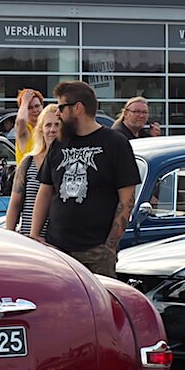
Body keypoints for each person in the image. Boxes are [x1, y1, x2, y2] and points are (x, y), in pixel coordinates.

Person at [29, 81, 140, 277]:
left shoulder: (115, 143)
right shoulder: (59, 143)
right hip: (56, 250)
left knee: (98, 306)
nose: (58, 114)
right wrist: (35, 235)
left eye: (62, 107)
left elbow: (127, 199)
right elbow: (45, 190)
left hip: (95, 251)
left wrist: (109, 247)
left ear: (78, 108)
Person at [4, 103, 60, 237]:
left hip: (57, 242)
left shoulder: (69, 162)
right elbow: (15, 204)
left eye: (57, 124)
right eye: (48, 125)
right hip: (30, 239)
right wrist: (9, 237)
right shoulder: (28, 162)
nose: (52, 129)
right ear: (41, 129)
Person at [13, 88, 44, 163]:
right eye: (29, 108)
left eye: (37, 106)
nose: (35, 110)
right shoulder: (25, 131)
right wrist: (25, 101)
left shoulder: (47, 128)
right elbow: (21, 120)